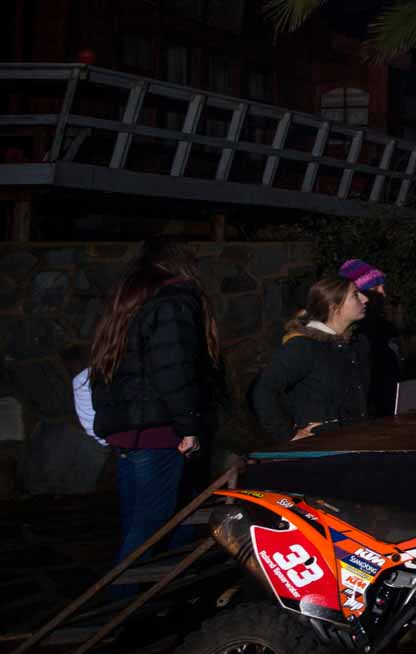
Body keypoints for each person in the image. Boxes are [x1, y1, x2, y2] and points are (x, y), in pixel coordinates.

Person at [89, 237, 221, 575]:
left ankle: (154, 593)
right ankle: (119, 603)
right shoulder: (174, 301)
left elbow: (103, 370)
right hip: (158, 432)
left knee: (147, 524)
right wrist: (188, 427)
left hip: (129, 431)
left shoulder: (130, 300)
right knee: (150, 530)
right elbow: (173, 368)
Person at [251, 276, 372, 441]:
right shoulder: (303, 347)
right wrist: (287, 433)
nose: (365, 299)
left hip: (356, 441)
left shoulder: (355, 343)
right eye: (355, 295)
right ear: (334, 307)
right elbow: (263, 389)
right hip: (322, 447)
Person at [339, 258, 399, 416]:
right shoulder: (350, 334)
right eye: (375, 288)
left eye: (383, 287)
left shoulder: (386, 328)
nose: (383, 293)